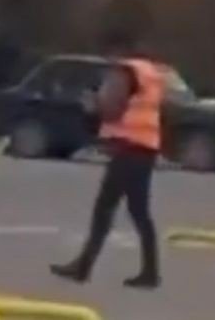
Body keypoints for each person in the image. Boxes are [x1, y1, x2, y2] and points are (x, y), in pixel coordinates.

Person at [51, 29, 162, 289]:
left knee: (105, 208)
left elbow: (113, 109)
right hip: (145, 147)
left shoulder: (124, 71)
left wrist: (93, 105)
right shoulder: (151, 72)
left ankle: (83, 267)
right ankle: (149, 272)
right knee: (138, 212)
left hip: (128, 149)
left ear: (117, 49)